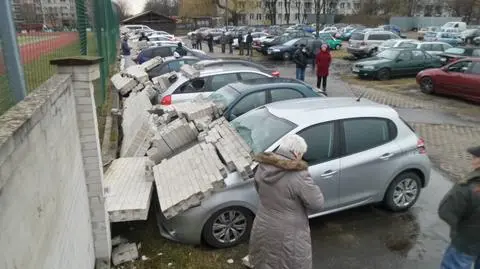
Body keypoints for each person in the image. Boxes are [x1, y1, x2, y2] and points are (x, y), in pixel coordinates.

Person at [248, 134, 324, 269]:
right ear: (296, 153)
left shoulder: (263, 166)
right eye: (301, 154)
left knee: (264, 261)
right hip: (289, 232)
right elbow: (317, 204)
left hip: (263, 224)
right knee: (289, 262)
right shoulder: (300, 175)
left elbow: (259, 189)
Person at [438, 145, 480, 269]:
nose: (473, 160)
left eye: (475, 157)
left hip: (466, 243)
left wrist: (458, 230)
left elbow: (445, 212)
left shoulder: (466, 188)